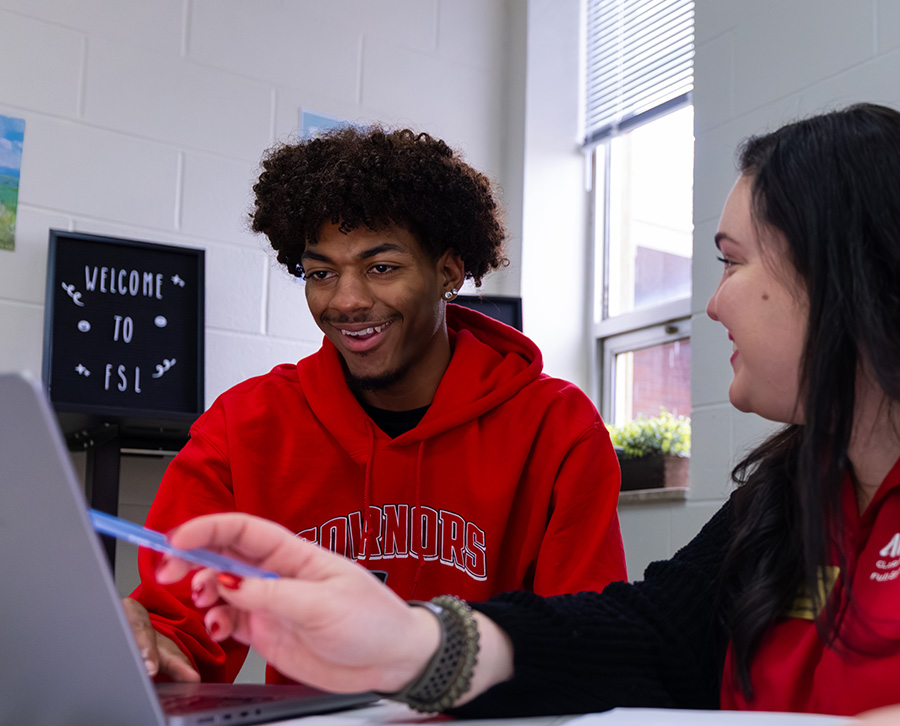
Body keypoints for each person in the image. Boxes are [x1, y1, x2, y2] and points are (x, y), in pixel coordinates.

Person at [153, 103, 900, 726]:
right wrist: (413, 642)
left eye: (731, 262)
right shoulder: (790, 493)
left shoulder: (553, 424)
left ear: (843, 272)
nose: (712, 303)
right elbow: (646, 637)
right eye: (321, 271)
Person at [127, 125, 626, 684]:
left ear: (449, 270)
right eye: (321, 273)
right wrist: (151, 648)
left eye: (381, 267)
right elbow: (177, 623)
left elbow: (587, 642)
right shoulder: (242, 426)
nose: (346, 300)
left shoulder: (557, 428)